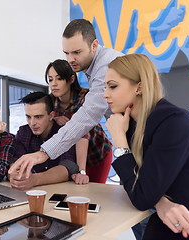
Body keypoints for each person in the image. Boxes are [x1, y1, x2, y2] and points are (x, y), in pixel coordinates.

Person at [104, 54, 189, 239]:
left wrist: (119, 139)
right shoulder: (132, 124)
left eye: (112, 86)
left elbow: (141, 195)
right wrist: (159, 201)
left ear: (139, 87)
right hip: (166, 213)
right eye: (105, 87)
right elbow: (135, 185)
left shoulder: (174, 122)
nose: (105, 94)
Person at [9, 18, 123, 180]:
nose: (70, 60)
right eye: (66, 53)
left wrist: (44, 153)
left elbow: (88, 117)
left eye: (76, 52)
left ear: (94, 45)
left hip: (100, 151)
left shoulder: (105, 66)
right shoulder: (52, 103)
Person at [45, 59, 112, 184]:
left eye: (59, 79)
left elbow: (81, 132)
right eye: (50, 79)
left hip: (97, 153)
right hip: (72, 158)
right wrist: (54, 118)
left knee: (95, 193)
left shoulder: (86, 97)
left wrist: (81, 171)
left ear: (71, 79)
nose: (53, 84)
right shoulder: (50, 102)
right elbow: (43, 120)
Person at [9, 92, 79, 191]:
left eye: (38, 117)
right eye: (28, 117)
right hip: (30, 193)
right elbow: (15, 160)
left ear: (51, 115)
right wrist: (14, 176)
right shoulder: (24, 132)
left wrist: (35, 180)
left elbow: (68, 167)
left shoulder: (63, 132)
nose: (32, 123)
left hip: (61, 192)